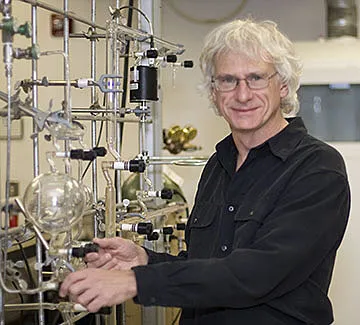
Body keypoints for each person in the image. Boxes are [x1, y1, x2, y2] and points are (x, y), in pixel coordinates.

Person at [60, 18, 351, 325]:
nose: (242, 94)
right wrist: (144, 260)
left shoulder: (317, 168)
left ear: (283, 85)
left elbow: (258, 273)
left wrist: (138, 282)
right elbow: (209, 265)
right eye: (228, 80)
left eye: (255, 78)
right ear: (214, 92)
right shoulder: (219, 163)